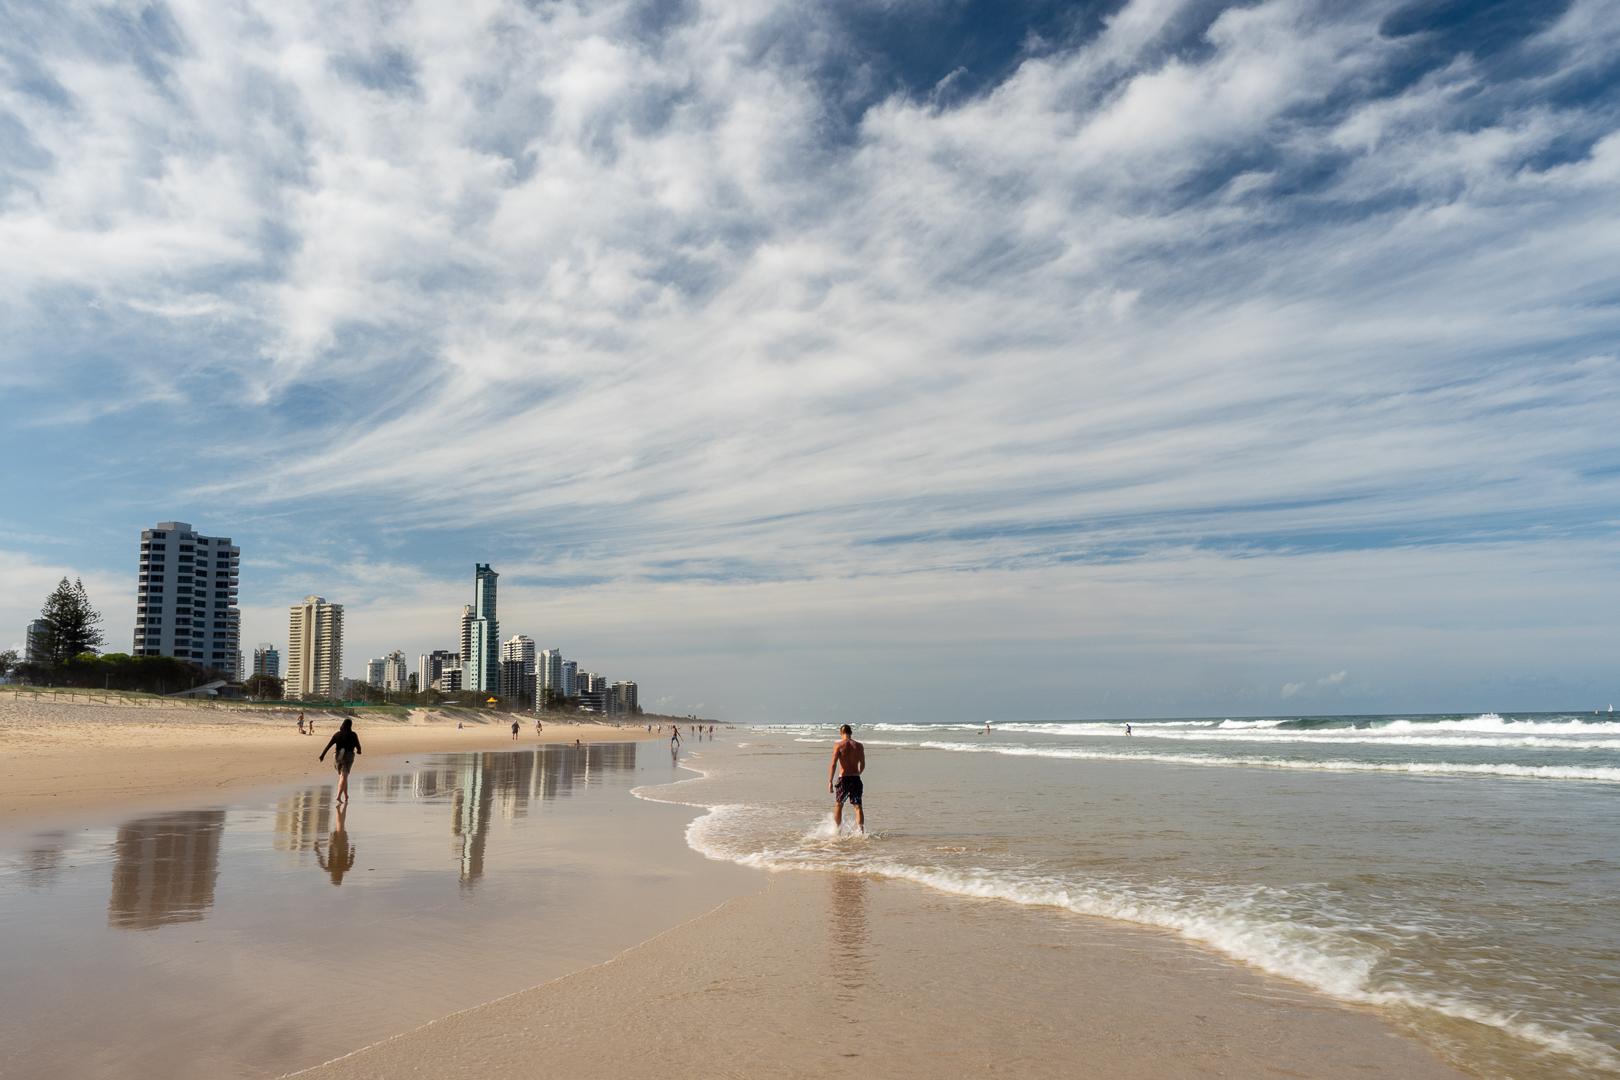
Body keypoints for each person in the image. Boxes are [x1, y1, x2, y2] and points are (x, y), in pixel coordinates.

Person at [828, 723, 866, 833]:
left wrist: (830, 781)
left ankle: (837, 831)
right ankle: (861, 832)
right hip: (855, 778)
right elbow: (863, 763)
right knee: (858, 806)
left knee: (839, 805)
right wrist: (858, 773)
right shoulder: (859, 746)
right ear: (851, 733)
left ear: (841, 733)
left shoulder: (838, 745)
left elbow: (833, 764)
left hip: (843, 779)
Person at [318, 718, 363, 804]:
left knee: (343, 776)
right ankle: (338, 796)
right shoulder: (353, 735)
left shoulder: (337, 734)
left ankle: (346, 795)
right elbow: (358, 747)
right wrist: (358, 751)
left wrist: (322, 755)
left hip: (337, 756)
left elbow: (329, 746)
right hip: (348, 756)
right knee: (343, 776)